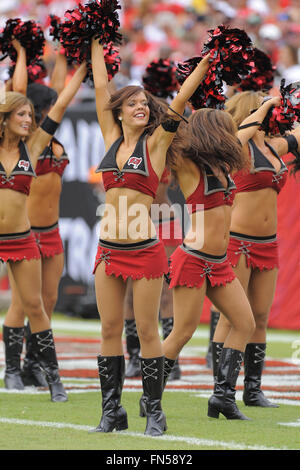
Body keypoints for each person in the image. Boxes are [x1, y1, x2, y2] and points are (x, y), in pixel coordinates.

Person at [90, 36, 211, 436]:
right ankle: (111, 412)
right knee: (109, 330)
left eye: (144, 103)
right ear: (119, 113)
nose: (142, 107)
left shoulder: (157, 143)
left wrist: (205, 64)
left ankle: (154, 412)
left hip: (144, 251)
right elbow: (100, 81)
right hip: (107, 251)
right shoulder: (110, 138)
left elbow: (178, 101)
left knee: (146, 332)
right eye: (133, 104)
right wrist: (95, 37)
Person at [161, 97, 282, 421]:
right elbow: (172, 124)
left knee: (246, 323)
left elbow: (248, 128)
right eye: (227, 130)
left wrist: (268, 105)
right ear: (213, 133)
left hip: (219, 262)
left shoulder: (223, 166)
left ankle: (223, 398)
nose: (235, 134)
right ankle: (150, 396)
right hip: (194, 257)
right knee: (182, 333)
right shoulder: (189, 166)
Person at [0, 38, 87, 402]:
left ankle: (45, 374)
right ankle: (13, 369)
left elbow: (62, 97)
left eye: (30, 115)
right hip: (23, 232)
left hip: (35, 234)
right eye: (20, 115)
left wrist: (83, 61)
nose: (29, 120)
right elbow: (16, 93)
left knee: (41, 303)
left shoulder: (36, 144)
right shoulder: (19, 134)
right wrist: (20, 55)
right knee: (24, 305)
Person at [211, 90, 300, 408]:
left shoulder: (273, 146)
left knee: (260, 316)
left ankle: (253, 389)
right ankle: (221, 391)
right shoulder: (238, 147)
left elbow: (298, 132)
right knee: (231, 317)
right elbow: (240, 134)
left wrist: (291, 102)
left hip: (268, 243)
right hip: (237, 241)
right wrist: (266, 105)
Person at [123, 166, 183, 381]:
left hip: (164, 220)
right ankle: (134, 357)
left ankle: (170, 359)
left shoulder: (166, 147)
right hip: (134, 223)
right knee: (130, 294)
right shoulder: (129, 148)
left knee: (167, 291)